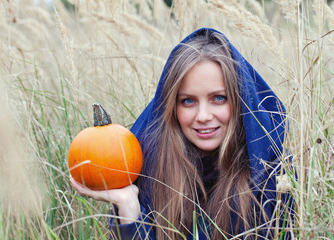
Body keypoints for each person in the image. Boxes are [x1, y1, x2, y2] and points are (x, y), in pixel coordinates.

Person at [70, 28, 294, 239]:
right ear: (171, 108)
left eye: (219, 98)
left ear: (241, 100)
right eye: (188, 101)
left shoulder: (272, 174)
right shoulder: (152, 171)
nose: (203, 115)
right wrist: (128, 206)